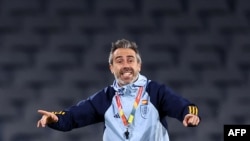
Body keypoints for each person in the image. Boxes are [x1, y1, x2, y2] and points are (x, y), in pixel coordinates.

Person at [37, 39, 200, 141]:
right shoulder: (105, 98)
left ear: (139, 65)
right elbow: (73, 117)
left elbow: (181, 105)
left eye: (130, 60)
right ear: (111, 68)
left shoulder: (155, 91)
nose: (126, 65)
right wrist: (56, 119)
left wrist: (188, 114)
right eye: (119, 61)